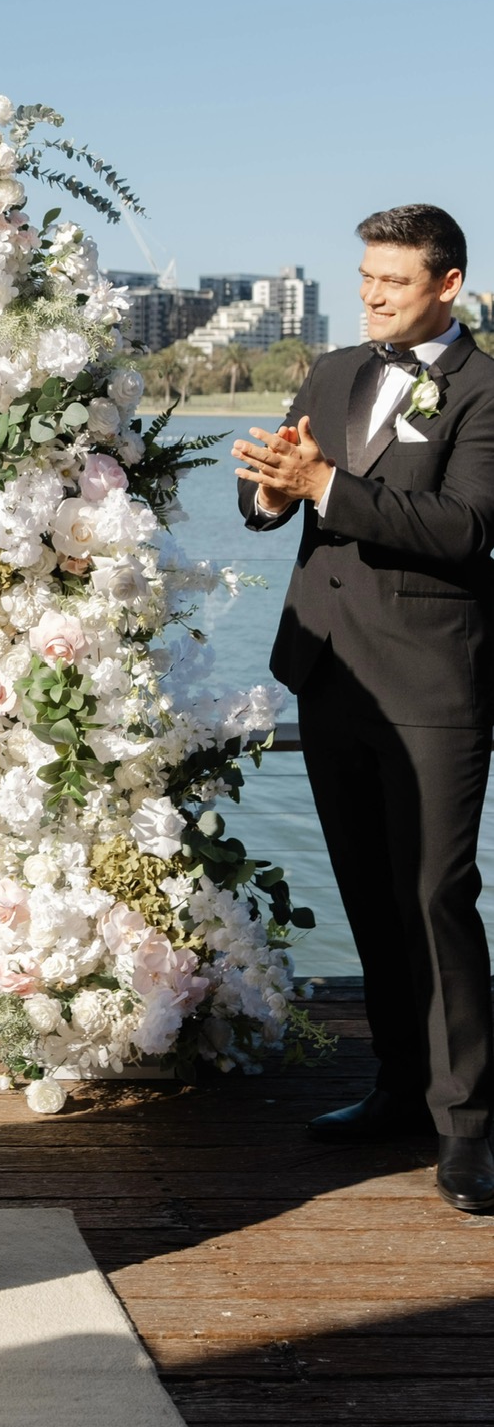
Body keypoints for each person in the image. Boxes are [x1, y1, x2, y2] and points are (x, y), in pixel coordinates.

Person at [233, 204, 494, 1214]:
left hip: (433, 681)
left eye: (392, 279)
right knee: (369, 894)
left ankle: (469, 1120)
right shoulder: (337, 368)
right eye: (366, 275)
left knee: (435, 893)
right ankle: (397, 1083)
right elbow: (288, 489)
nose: (372, 292)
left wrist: (327, 482)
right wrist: (269, 490)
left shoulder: (484, 388)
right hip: (330, 672)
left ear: (449, 283)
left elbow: (469, 527)